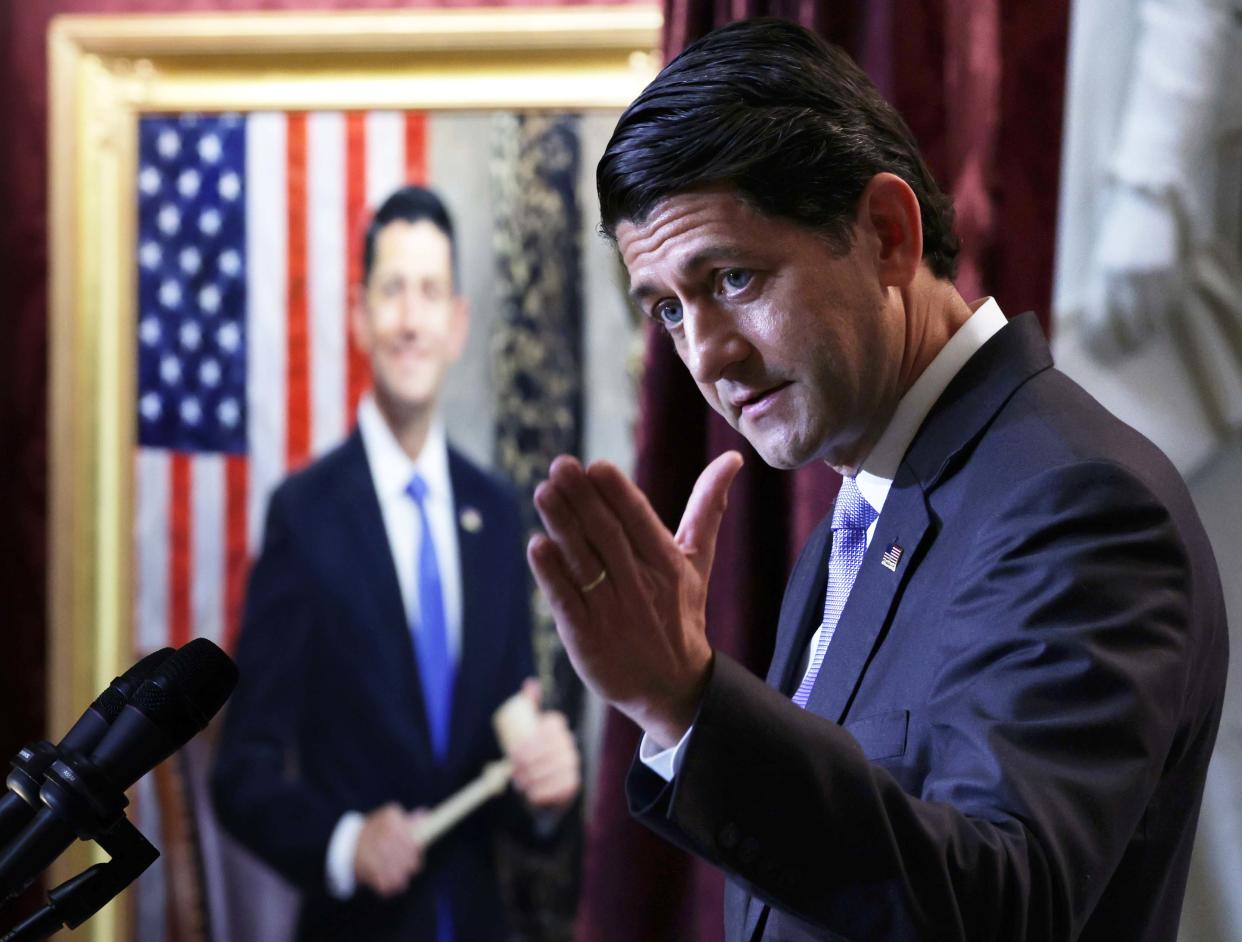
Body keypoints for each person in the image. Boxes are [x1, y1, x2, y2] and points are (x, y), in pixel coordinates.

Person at [526, 19, 1227, 942]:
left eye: (733, 278)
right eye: (668, 310)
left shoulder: (1078, 502)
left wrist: (689, 702)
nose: (709, 356)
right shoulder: (865, 506)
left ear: (887, 235)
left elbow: (1001, 905)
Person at [213, 185, 581, 942]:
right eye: (392, 292)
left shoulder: (497, 512)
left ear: (457, 323)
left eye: (430, 292)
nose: (411, 320)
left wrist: (545, 787)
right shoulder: (304, 516)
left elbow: (504, 757)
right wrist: (346, 841)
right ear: (359, 317)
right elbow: (241, 773)